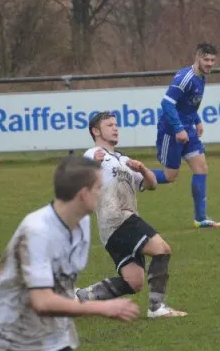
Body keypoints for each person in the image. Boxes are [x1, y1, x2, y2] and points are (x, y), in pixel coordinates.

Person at [0, 155, 140, 351]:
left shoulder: (82, 222)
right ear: (83, 194)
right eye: (99, 187)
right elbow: (42, 301)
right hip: (11, 348)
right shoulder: (37, 231)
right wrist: (102, 307)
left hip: (56, 342)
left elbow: (63, 285)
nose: (102, 192)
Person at [75, 111, 187, 318]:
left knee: (134, 282)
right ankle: (156, 308)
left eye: (116, 124)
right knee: (162, 249)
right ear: (96, 131)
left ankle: (82, 296)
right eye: (109, 125)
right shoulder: (92, 154)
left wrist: (142, 170)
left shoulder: (123, 159)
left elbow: (152, 184)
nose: (115, 128)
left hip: (112, 229)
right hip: (119, 218)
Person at [151, 42, 220, 229]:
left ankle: (200, 219)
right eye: (206, 59)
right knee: (170, 176)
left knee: (201, 168)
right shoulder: (186, 77)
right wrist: (178, 128)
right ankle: (131, 174)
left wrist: (197, 120)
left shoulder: (202, 77)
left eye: (212, 60)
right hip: (171, 130)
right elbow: (167, 103)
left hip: (188, 129)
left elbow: (187, 104)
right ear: (197, 58)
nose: (210, 64)